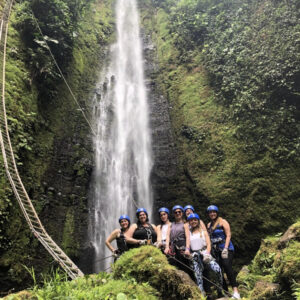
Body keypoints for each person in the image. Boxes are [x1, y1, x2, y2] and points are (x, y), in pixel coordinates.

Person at [207, 205, 241, 299]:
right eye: (210, 212)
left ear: (217, 213)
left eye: (214, 212)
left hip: (226, 249)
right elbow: (208, 238)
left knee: (227, 266)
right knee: (218, 271)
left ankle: (236, 291)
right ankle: (226, 292)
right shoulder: (209, 225)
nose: (212, 214)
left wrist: (225, 248)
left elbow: (228, 235)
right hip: (216, 251)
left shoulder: (223, 222)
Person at [188, 213, 223, 298]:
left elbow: (208, 244)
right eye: (191, 220)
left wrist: (207, 253)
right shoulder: (189, 233)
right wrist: (189, 254)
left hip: (205, 253)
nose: (193, 222)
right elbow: (188, 245)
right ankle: (202, 295)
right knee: (198, 277)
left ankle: (219, 290)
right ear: (189, 222)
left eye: (195, 220)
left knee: (217, 270)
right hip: (195, 255)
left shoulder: (204, 231)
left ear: (198, 221)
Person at [164, 205, 192, 277]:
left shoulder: (185, 224)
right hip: (173, 247)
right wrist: (167, 247)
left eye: (179, 212)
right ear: (173, 214)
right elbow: (167, 236)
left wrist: (187, 248)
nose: (177, 213)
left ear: (182, 213)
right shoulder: (171, 224)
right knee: (174, 265)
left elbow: (188, 237)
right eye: (175, 212)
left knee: (185, 266)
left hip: (182, 246)